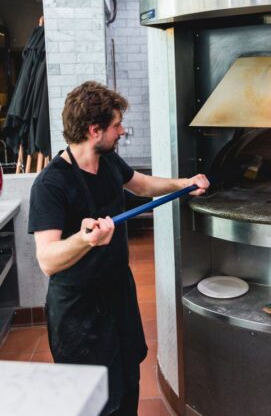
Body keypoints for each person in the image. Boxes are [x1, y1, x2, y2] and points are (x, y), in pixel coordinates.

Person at [28, 81, 209, 415]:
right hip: (79, 315)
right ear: (94, 130)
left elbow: (140, 184)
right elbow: (47, 260)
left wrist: (183, 184)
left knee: (128, 385)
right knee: (96, 404)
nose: (122, 131)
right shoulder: (51, 184)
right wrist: (84, 240)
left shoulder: (109, 162)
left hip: (118, 296)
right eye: (116, 126)